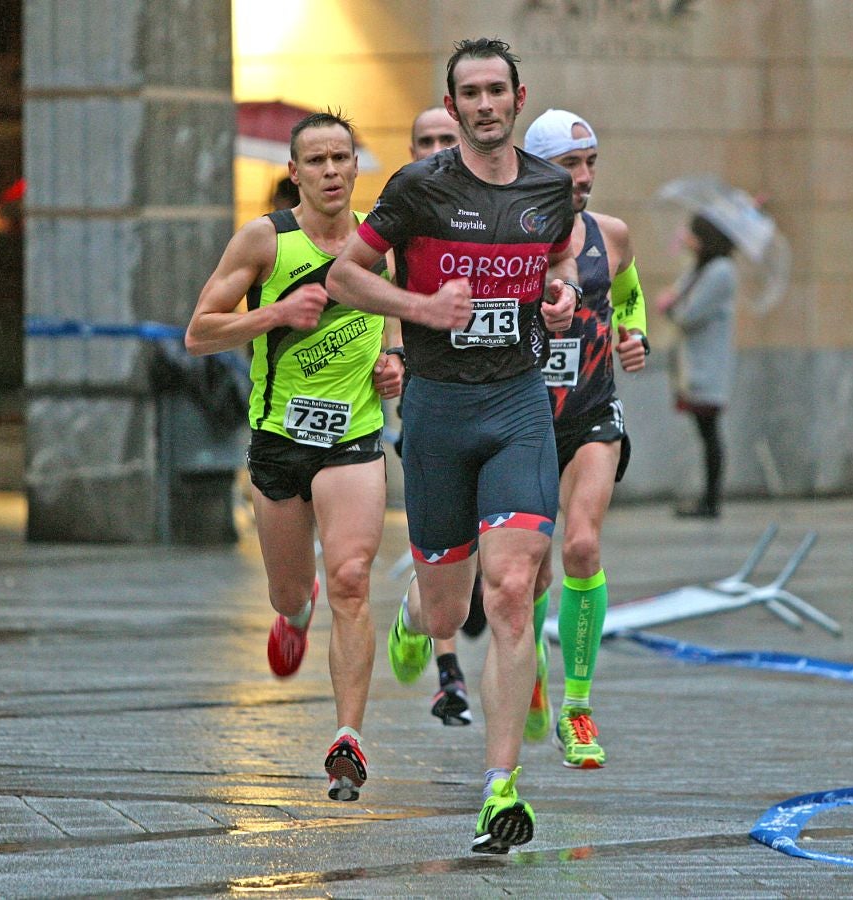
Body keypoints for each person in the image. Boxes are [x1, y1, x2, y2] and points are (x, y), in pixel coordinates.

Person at [327, 37, 578, 854]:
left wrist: (557, 298)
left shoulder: (548, 187)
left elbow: (558, 260)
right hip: (436, 411)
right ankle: (413, 617)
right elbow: (343, 278)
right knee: (448, 605)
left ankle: (499, 787)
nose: (481, 105)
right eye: (466, 92)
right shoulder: (418, 189)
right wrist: (421, 308)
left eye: (494, 91)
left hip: (515, 406)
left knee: (509, 593)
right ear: (454, 100)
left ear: (516, 96)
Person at [185, 111, 404, 804]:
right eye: (317, 160)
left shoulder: (379, 239)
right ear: (295, 172)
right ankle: (292, 612)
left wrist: (394, 359)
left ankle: (348, 738)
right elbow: (198, 333)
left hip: (352, 440)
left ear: (355, 166)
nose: (332, 171)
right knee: (293, 590)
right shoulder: (265, 241)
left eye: (342, 157)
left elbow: (393, 309)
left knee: (350, 579)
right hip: (279, 441)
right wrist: (273, 315)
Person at [521, 108, 649, 768]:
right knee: (531, 567)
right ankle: (531, 675)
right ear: (537, 167)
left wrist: (635, 335)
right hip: (522, 420)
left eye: (591, 162)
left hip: (593, 413)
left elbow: (626, 295)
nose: (584, 176)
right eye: (570, 163)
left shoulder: (612, 234)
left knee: (580, 542)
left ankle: (577, 706)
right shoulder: (508, 237)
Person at [392, 105, 480, 729]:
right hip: (425, 387)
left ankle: (432, 616)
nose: (434, 148)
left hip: (497, 393)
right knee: (442, 534)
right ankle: (448, 674)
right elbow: (371, 284)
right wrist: (393, 350)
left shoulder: (495, 201)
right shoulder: (403, 205)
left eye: (445, 139)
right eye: (424, 140)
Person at [656, 215, 737, 518]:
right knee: (706, 430)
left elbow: (690, 313)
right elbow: (682, 295)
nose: (686, 237)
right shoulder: (701, 268)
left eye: (691, 233)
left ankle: (711, 500)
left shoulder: (721, 271)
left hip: (707, 364)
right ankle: (708, 498)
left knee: (710, 430)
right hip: (694, 362)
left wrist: (671, 307)